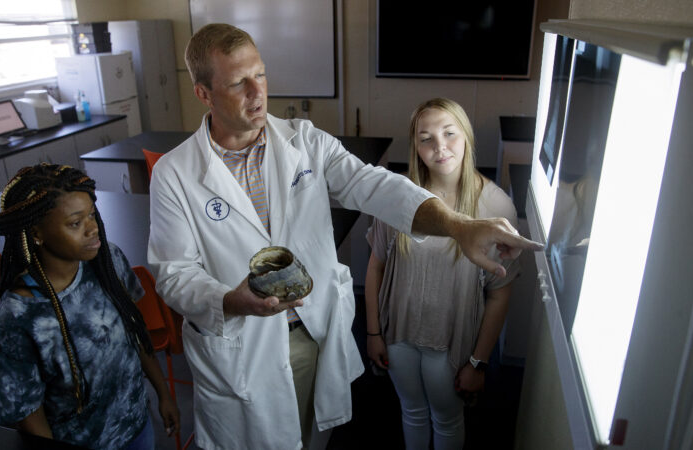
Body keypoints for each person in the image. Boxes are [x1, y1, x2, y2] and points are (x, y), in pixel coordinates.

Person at [147, 23, 539, 450]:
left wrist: (457, 225)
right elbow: (173, 273)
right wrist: (230, 301)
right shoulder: (175, 173)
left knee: (316, 438)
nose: (257, 93)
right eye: (238, 83)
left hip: (313, 332)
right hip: (243, 345)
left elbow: (375, 186)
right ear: (202, 93)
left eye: (260, 75)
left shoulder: (305, 140)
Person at [0, 163, 180, 449]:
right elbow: (28, 413)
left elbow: (135, 332)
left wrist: (162, 392)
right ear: (36, 233)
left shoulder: (108, 260)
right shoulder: (16, 317)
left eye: (92, 215)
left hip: (137, 426)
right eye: (75, 223)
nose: (93, 228)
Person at [364, 98, 519, 449]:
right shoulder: (397, 196)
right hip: (399, 334)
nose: (440, 147)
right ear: (415, 147)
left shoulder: (494, 206)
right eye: (426, 138)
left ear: (466, 136)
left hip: (451, 344)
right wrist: (373, 332)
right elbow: (376, 265)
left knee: (447, 419)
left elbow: (500, 293)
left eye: (449, 134)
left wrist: (478, 363)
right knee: (412, 411)